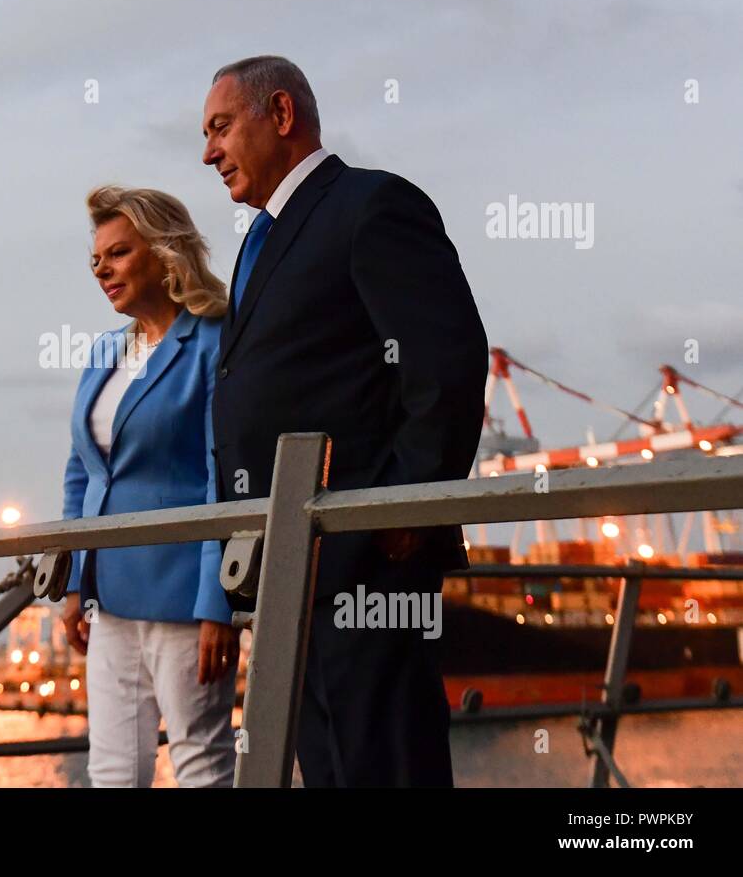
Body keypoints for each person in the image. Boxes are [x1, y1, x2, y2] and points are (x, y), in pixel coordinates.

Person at [202, 55, 488, 786]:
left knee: (386, 769)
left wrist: (405, 507)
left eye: (221, 128)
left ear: (283, 115)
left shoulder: (372, 205)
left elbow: (447, 363)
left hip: (368, 565)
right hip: (291, 573)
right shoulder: (258, 244)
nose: (208, 152)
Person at [59, 185, 238, 787]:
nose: (102, 270)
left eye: (118, 253)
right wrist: (71, 581)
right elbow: (81, 471)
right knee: (112, 770)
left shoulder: (213, 342)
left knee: (201, 763)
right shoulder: (104, 353)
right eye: (96, 260)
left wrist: (218, 601)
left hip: (185, 597)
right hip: (108, 600)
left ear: (165, 254)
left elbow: (223, 474)